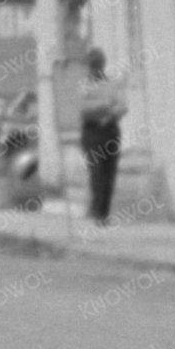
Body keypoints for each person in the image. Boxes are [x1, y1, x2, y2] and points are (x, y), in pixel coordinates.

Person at [78, 45, 129, 225]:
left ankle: (104, 213)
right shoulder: (84, 85)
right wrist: (106, 106)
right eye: (91, 65)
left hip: (110, 130)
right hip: (91, 131)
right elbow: (84, 110)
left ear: (102, 65)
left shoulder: (112, 84)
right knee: (97, 171)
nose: (94, 68)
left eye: (97, 64)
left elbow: (122, 106)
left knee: (109, 172)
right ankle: (97, 211)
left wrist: (106, 109)